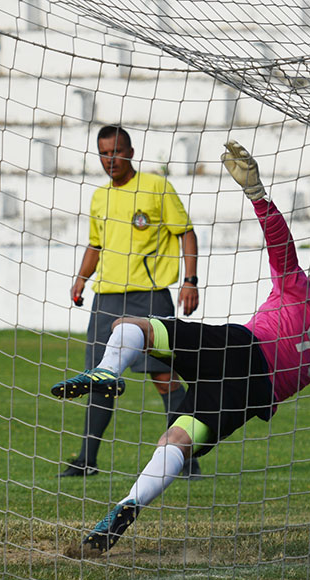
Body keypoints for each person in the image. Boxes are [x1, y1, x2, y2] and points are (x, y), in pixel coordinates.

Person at [52, 140, 310, 557]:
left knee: (130, 325)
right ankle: (128, 505)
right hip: (251, 396)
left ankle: (108, 370)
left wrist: (258, 194)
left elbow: (280, 245)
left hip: (240, 348)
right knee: (177, 440)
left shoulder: (299, 287)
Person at [57, 125, 202, 479]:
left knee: (165, 377)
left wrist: (190, 281)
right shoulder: (99, 197)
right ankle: (87, 460)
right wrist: (81, 279)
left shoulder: (156, 187)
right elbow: (96, 244)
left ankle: (186, 458)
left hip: (150, 299)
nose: (111, 160)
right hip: (106, 300)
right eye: (104, 153)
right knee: (99, 378)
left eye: (117, 152)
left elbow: (186, 233)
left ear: (131, 152)